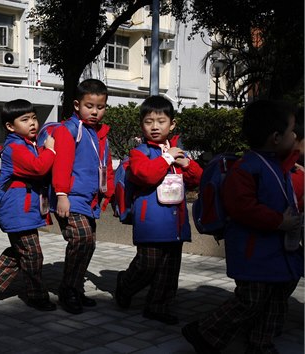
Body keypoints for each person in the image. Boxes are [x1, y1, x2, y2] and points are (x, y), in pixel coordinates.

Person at [181, 100, 303, 354]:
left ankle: (261, 343)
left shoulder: (275, 163)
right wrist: (280, 221)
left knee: (274, 300)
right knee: (251, 299)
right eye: (293, 131)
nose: (297, 136)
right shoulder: (248, 168)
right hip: (253, 252)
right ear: (276, 137)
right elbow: (242, 208)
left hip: (272, 253)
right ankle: (205, 331)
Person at [114, 96, 202, 325]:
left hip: (176, 222)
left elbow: (197, 179)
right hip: (151, 221)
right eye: (149, 121)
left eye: (161, 121)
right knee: (147, 264)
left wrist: (187, 164)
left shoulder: (178, 152)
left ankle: (158, 306)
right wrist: (167, 158)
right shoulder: (139, 152)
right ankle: (125, 285)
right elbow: (146, 175)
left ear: (172, 124)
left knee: (169, 269)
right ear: (141, 125)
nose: (155, 126)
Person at [0, 99, 57, 311]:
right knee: (33, 254)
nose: (32, 123)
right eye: (25, 119)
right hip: (17, 210)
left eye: (34, 118)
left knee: (24, 250)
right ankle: (36, 296)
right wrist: (51, 151)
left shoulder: (26, 144)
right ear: (10, 126)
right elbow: (38, 168)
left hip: (24, 209)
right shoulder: (15, 147)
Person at [48, 79, 114, 314]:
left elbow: (105, 166)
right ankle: (67, 291)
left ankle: (75, 289)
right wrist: (62, 194)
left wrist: (109, 193)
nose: (95, 111)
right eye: (90, 106)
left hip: (89, 199)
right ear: (77, 105)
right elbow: (62, 166)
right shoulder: (68, 130)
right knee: (81, 240)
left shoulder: (99, 133)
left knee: (89, 244)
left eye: (100, 107)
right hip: (71, 197)